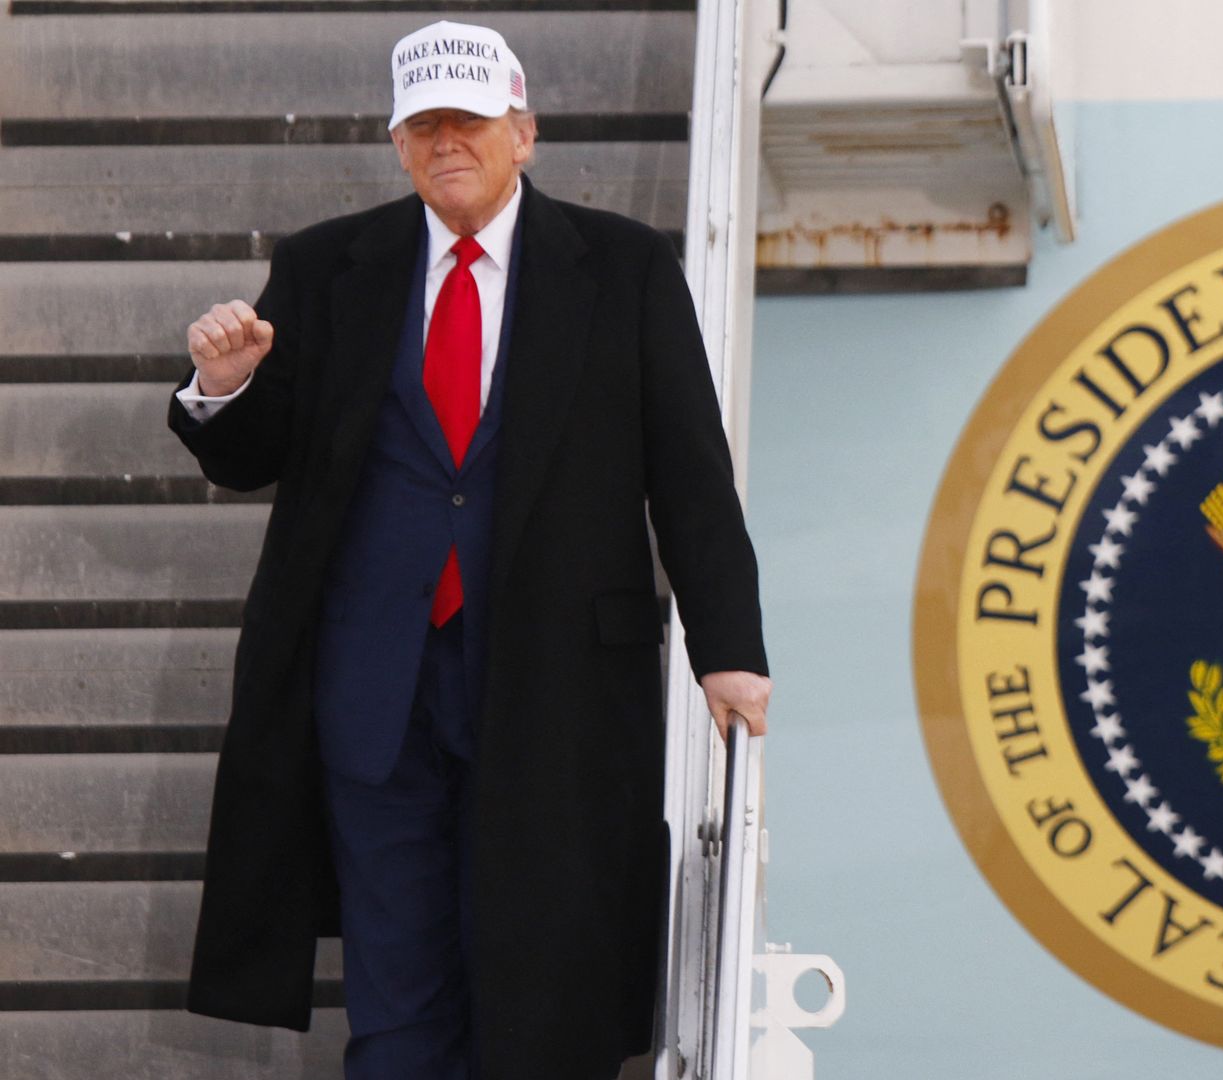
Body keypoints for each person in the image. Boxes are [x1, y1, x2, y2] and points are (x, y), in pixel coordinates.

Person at [168, 20, 771, 1080]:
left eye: (471, 122)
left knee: (541, 987)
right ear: (400, 146)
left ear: (523, 132)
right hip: (376, 688)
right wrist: (225, 386)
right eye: (426, 126)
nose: (449, 143)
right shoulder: (325, 269)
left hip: (553, 686)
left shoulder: (622, 267)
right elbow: (254, 458)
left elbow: (688, 471)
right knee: (396, 996)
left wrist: (728, 644)